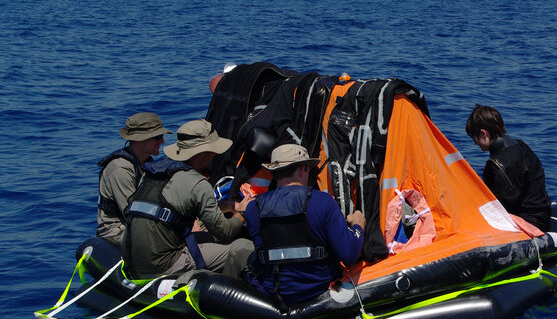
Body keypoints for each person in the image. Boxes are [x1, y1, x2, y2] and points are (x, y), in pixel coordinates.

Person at [122, 119, 254, 279]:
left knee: (206, 237)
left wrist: (225, 206)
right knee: (244, 247)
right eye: (213, 151)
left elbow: (174, 206)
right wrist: (242, 213)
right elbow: (225, 231)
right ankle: (224, 288)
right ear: (202, 153)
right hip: (162, 265)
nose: (214, 156)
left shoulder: (154, 172)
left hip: (134, 260)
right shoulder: (197, 183)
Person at [244, 144, 366, 306]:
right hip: (320, 293)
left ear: (274, 173)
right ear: (302, 169)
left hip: (274, 294)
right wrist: (358, 226)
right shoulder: (323, 202)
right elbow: (349, 255)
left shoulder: (253, 208)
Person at [465, 104, 551, 231]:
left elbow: (499, 207)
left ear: (483, 133)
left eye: (474, 138)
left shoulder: (496, 164)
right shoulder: (521, 145)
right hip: (542, 216)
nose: (475, 142)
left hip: (529, 222)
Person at [97, 112, 172, 246]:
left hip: (141, 224)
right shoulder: (120, 169)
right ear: (140, 140)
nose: (162, 141)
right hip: (117, 232)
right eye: (157, 137)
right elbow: (132, 214)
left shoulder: (145, 163)